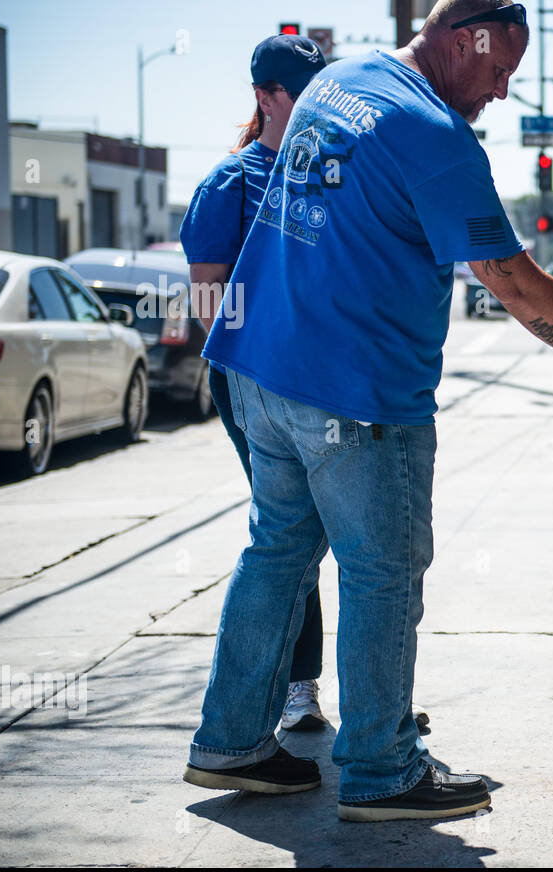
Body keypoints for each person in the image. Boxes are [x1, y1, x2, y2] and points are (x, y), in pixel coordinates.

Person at [183, 0, 553, 822]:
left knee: (278, 552)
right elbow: (508, 280)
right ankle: (380, 767)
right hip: (355, 396)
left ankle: (230, 740)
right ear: (462, 34)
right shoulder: (434, 134)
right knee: (382, 570)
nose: (504, 93)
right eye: (501, 67)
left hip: (261, 373)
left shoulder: (338, 81)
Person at [180, 33, 331, 734]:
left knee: (311, 529)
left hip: (319, 376)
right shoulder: (229, 185)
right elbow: (208, 303)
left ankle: (293, 687)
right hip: (251, 384)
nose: (311, 106)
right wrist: (262, 348)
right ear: (266, 98)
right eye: (299, 92)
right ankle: (292, 687)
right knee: (292, 529)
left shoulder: (325, 173)